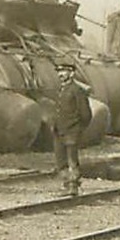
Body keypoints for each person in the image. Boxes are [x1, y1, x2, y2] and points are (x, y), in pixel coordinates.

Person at [53, 62, 93, 196]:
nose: (60, 74)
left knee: (72, 160)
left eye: (64, 71)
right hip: (59, 131)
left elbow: (86, 114)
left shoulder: (77, 90)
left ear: (72, 73)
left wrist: (78, 128)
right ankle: (66, 184)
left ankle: (73, 186)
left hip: (71, 131)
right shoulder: (62, 89)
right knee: (61, 161)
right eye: (59, 71)